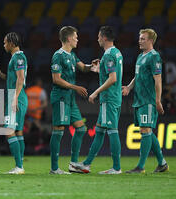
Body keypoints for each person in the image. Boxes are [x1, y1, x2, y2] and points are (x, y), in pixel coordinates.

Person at [71, 26, 124, 174]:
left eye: (99, 36)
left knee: (112, 131)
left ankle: (117, 168)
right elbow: (112, 74)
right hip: (113, 98)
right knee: (100, 130)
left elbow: (112, 79)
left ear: (105, 38)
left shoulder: (108, 55)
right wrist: (98, 70)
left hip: (109, 98)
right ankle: (87, 163)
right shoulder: (117, 53)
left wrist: (95, 93)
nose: (98, 39)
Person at [49, 26, 98, 175]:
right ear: (69, 38)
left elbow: (82, 67)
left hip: (70, 99)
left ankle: (73, 163)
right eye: (76, 37)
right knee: (58, 130)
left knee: (81, 128)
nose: (77, 39)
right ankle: (54, 168)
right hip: (61, 97)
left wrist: (91, 67)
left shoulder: (72, 55)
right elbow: (56, 79)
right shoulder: (58, 55)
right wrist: (75, 87)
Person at [122, 28, 168, 173]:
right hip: (139, 99)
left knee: (145, 130)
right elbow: (138, 75)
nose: (139, 41)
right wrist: (129, 87)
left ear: (150, 41)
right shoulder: (141, 56)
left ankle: (140, 167)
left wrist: (158, 100)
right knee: (147, 130)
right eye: (140, 38)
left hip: (148, 99)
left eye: (142, 38)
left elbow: (158, 80)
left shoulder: (154, 57)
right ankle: (162, 163)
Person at [2, 32, 28, 174]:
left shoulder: (18, 57)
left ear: (12, 43)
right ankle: (20, 165)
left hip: (17, 96)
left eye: (5, 42)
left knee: (9, 130)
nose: (4, 45)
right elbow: (14, 78)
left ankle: (19, 166)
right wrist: (0, 74)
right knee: (17, 131)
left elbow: (20, 78)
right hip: (17, 96)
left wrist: (15, 98)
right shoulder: (16, 58)